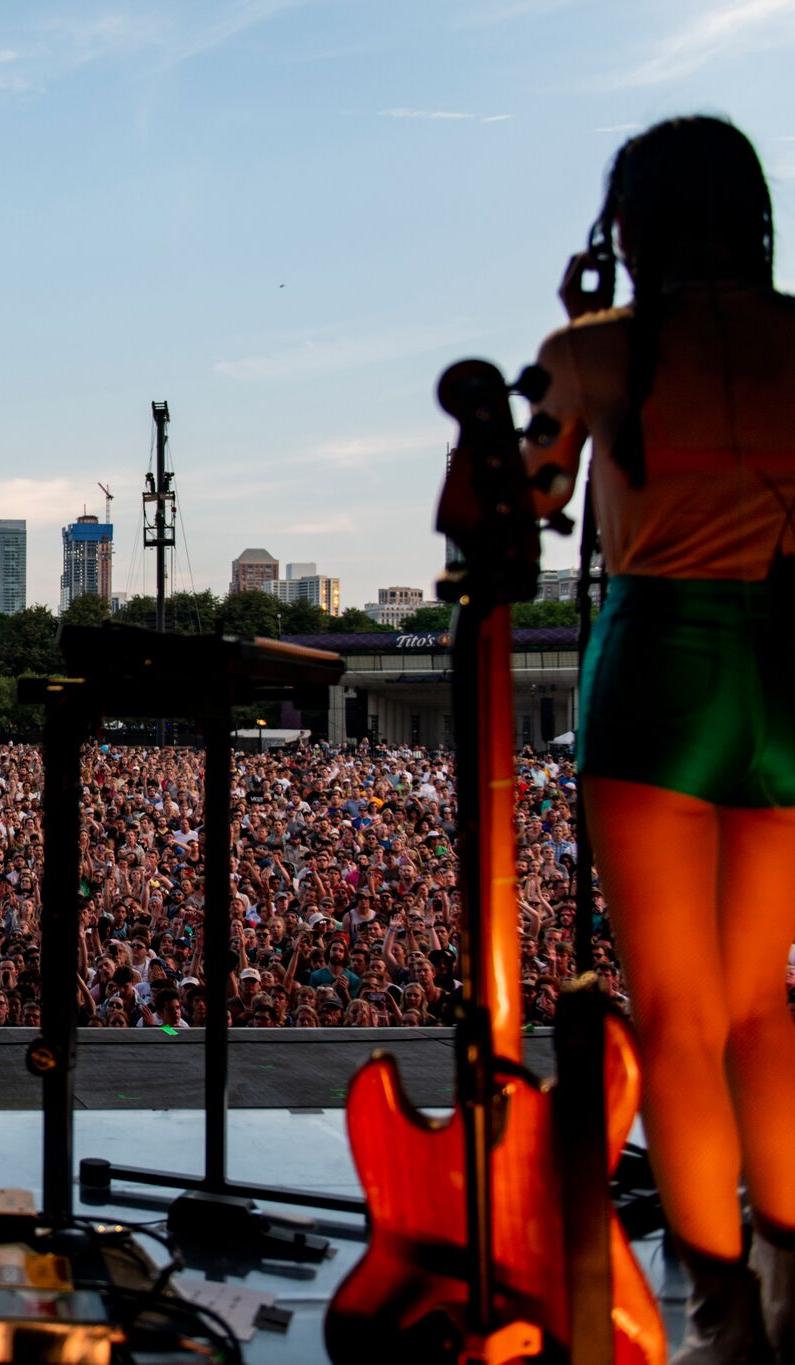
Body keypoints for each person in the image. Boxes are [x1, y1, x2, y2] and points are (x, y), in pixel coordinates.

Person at [524, 115, 795, 1363]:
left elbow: (530, 497)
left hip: (659, 672)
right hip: (787, 665)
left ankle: (722, 1321)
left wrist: (569, 334)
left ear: (624, 230)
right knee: (759, 1006)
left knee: (678, 1018)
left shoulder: (598, 354)